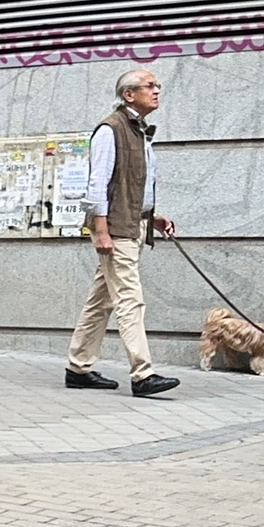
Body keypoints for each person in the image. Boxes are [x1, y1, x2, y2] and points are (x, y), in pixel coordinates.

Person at [66, 68, 180, 397]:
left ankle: (78, 367)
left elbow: (130, 184)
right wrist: (101, 231)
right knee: (130, 300)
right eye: (149, 86)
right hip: (116, 230)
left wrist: (151, 216)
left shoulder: (138, 130)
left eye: (157, 85)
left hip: (133, 224)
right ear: (129, 94)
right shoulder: (110, 129)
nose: (156, 90)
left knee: (100, 302)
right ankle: (143, 374)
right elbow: (97, 184)